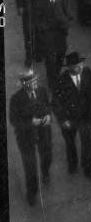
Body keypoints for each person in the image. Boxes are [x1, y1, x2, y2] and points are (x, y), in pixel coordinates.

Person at [10, 69, 54, 206]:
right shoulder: (16, 99)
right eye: (30, 82)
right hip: (25, 136)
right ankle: (32, 193)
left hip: (43, 130)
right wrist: (30, 123)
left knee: (47, 154)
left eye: (35, 80)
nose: (34, 83)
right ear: (24, 84)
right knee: (30, 166)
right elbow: (14, 121)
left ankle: (45, 171)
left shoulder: (41, 91)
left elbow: (48, 105)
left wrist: (48, 115)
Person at [52, 51, 91, 177]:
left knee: (87, 141)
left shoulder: (87, 73)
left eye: (80, 64)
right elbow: (55, 102)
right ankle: (72, 164)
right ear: (69, 68)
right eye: (75, 66)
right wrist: (62, 120)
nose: (79, 68)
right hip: (69, 118)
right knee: (70, 142)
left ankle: (88, 167)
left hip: (85, 115)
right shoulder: (61, 80)